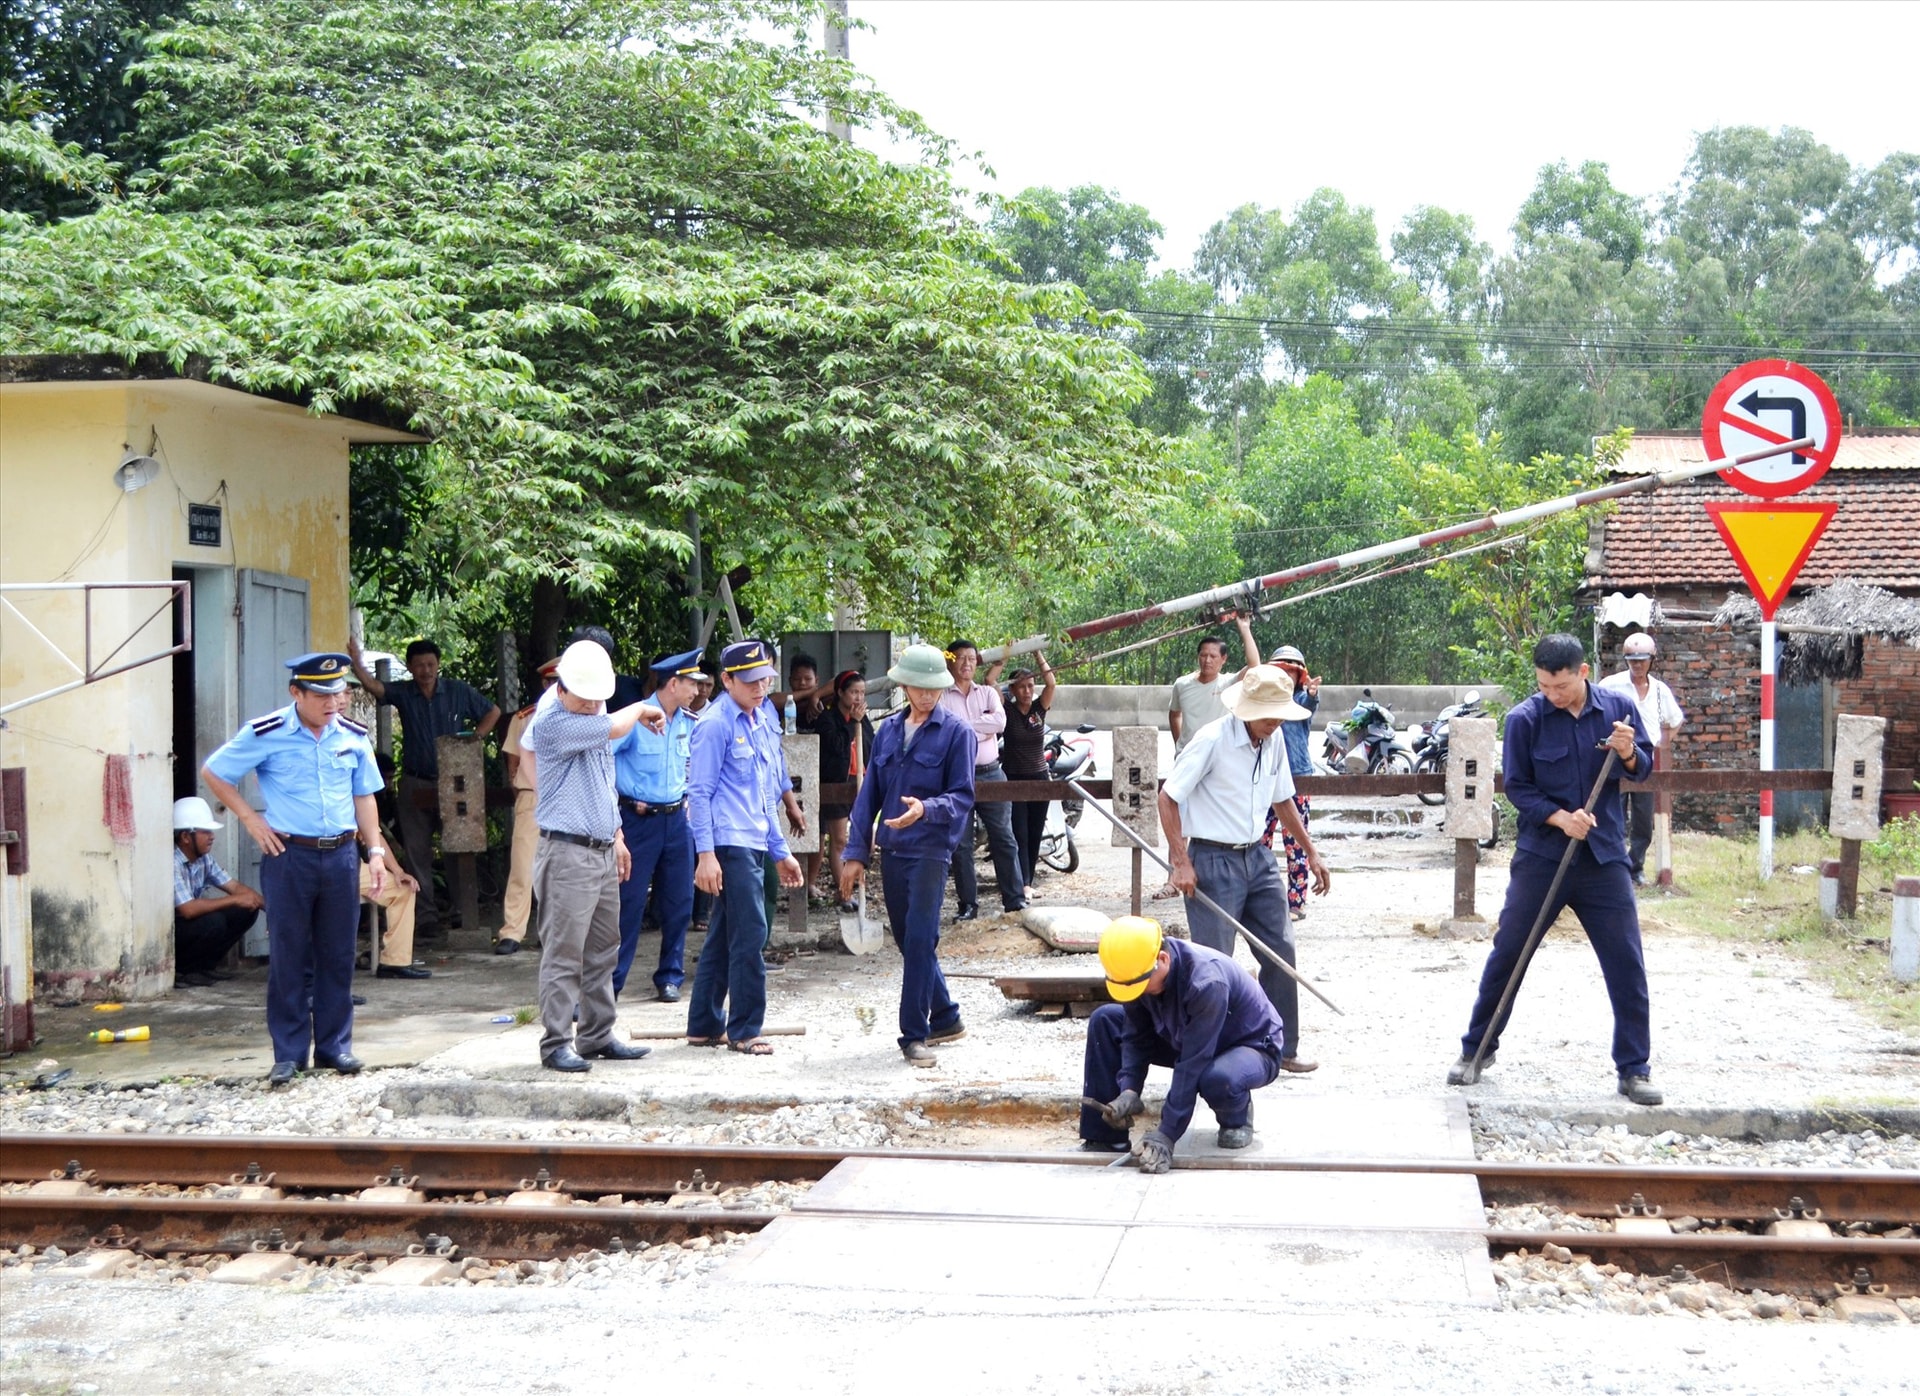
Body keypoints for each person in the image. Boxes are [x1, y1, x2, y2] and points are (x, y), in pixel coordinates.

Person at [1447, 633, 1661, 1106]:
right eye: (1544, 686)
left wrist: (1627, 752)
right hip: (1543, 858)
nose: (1552, 694)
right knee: (1508, 954)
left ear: (1582, 673)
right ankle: (1477, 1050)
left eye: (1560, 686)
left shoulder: (1618, 710)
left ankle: (1634, 1068)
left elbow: (1642, 768)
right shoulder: (1526, 720)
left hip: (1604, 858)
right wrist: (1560, 817)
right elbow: (1518, 788)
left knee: (1626, 963)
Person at [201, 652, 387, 1086]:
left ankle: (334, 1046)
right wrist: (251, 819)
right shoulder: (267, 732)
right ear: (296, 693)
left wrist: (375, 852)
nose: (332, 703)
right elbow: (215, 771)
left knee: (338, 954)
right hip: (289, 856)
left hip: (341, 856)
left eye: (337, 693)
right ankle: (288, 1054)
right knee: (289, 956)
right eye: (321, 695)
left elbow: (365, 798)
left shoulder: (353, 736)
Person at [1159, 664, 1330, 1074]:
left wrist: (1310, 853)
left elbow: (1283, 799)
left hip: (1258, 857)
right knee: (1215, 964)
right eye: (1270, 715)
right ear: (1246, 709)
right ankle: (1207, 1055)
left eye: (1280, 716)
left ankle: (1283, 1047)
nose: (1275, 723)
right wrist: (1180, 861)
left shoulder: (1273, 742)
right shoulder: (1212, 740)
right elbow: (1168, 798)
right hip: (1212, 860)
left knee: (1281, 949)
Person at [840, 643, 976, 1068]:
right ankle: (948, 1016)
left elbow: (962, 797)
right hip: (894, 850)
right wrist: (855, 852)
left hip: (931, 850)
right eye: (918, 687)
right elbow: (869, 796)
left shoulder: (957, 733)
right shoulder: (888, 732)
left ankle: (913, 1035)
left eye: (934, 688)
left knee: (920, 938)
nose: (926, 695)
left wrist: (926, 809)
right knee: (908, 941)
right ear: (904, 686)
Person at [528, 641, 660, 1073]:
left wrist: (618, 835)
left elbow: (603, 785)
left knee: (604, 948)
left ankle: (597, 1034)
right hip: (567, 852)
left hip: (600, 848)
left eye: (597, 699)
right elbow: (620, 728)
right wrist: (641, 707)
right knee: (564, 953)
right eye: (583, 699)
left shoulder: (596, 715)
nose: (591, 707)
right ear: (561, 690)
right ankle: (556, 1043)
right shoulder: (553, 721)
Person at [1079, 916, 1286, 1166]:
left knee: (1217, 1077)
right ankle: (1105, 1137)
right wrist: (1129, 1089)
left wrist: (1167, 1134)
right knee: (1106, 1020)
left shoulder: (1206, 982)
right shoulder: (1137, 971)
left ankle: (1237, 1117)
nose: (1137, 991)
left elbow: (1192, 1062)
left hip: (1250, 1046)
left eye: (1140, 985)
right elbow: (1136, 1034)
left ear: (1163, 960)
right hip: (1186, 1032)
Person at [686, 639, 805, 1054]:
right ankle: (745, 1029)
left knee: (724, 935)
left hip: (754, 840)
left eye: (765, 680)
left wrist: (780, 850)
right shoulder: (716, 724)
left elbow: (765, 792)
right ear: (727, 680)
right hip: (728, 844)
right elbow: (698, 794)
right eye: (751, 681)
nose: (760, 688)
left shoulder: (760, 719)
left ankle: (703, 1025)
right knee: (751, 933)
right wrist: (705, 855)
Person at [346, 636, 501, 940]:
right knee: (416, 850)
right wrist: (357, 664)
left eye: (430, 664)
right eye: (419, 665)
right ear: (410, 668)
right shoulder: (404, 692)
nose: (426, 670)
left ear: (438, 665)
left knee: (458, 845)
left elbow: (492, 711)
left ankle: (461, 909)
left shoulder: (457, 690)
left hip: (454, 781)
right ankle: (426, 915)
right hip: (415, 780)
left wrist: (475, 739)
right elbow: (376, 688)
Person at [611, 648, 703, 1003]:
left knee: (680, 902)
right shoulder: (634, 719)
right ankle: (612, 982)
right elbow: (606, 759)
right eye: (690, 683)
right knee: (629, 904)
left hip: (677, 822)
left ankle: (670, 977)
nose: (696, 690)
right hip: (637, 821)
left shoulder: (689, 722)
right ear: (673, 683)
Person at [1155, 614, 1260, 898]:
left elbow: (1255, 667)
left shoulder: (1227, 684)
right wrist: (1180, 744)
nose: (1207, 661)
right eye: (1203, 655)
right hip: (1188, 761)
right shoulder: (1183, 685)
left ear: (1223, 660)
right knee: (1176, 815)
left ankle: (1211, 880)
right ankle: (1173, 878)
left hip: (1218, 766)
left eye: (1213, 656)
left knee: (1214, 821)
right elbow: (1174, 713)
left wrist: (1244, 629)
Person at [940, 639, 1025, 920]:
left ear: (978, 662)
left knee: (1004, 837)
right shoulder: (940, 696)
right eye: (961, 658)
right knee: (961, 844)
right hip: (956, 776)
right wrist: (980, 726)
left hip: (991, 771)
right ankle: (967, 904)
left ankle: (1014, 900)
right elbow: (945, 731)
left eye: (972, 658)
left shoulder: (988, 692)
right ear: (950, 661)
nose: (966, 663)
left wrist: (963, 726)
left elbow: (999, 724)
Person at [1597, 632, 1685, 885]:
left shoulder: (1659, 691)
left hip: (1645, 759)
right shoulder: (1610, 685)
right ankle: (1613, 867)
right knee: (1613, 815)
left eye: (1642, 660)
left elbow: (1675, 720)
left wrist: (1661, 743)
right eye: (1632, 660)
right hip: (1615, 758)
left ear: (1651, 660)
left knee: (1643, 820)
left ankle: (1635, 867)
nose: (1637, 665)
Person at [496, 657, 560, 954]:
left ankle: (554, 932)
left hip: (565, 798)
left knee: (561, 868)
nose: (555, 687)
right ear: (544, 684)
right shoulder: (525, 717)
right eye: (551, 682)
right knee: (523, 865)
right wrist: (520, 785)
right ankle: (512, 931)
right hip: (532, 796)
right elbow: (513, 761)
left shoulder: (584, 714)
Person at [170, 796, 263, 987]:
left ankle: (205, 967)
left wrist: (269, 907)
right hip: (174, 930)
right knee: (215, 921)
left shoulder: (204, 859)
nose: (212, 836)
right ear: (186, 837)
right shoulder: (172, 862)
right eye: (205, 832)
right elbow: (188, 909)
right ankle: (184, 970)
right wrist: (235, 900)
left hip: (190, 925)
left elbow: (234, 887)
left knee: (246, 911)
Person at [1262, 643, 1321, 920]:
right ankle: (1257, 897)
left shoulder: (1300, 701)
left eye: (1290, 673)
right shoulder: (1262, 702)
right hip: (1265, 778)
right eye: (1280, 671)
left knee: (1296, 842)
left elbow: (1309, 702)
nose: (1285, 678)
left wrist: (1311, 693)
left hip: (1298, 778)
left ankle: (1296, 901)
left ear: (1300, 677)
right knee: (1257, 840)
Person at [807, 669, 875, 901]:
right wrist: (851, 724)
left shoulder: (863, 720)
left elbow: (870, 745)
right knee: (839, 840)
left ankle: (854, 885)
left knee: (863, 837)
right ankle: (844, 892)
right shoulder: (827, 719)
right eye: (853, 692)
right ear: (840, 693)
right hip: (835, 784)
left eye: (862, 693)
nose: (858, 698)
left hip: (859, 782)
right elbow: (836, 746)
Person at [1000, 652, 1057, 896]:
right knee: (1019, 833)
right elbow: (990, 682)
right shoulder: (1006, 710)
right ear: (1012, 690)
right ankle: (1021, 883)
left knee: (1034, 833)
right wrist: (1004, 656)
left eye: (1030, 686)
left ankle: (1029, 883)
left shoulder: (1038, 709)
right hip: (1014, 779)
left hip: (1039, 779)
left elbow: (1052, 682)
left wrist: (1038, 652)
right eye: (1021, 687)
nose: (1026, 691)